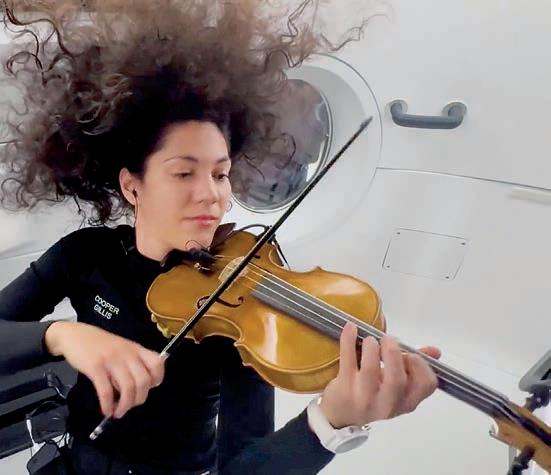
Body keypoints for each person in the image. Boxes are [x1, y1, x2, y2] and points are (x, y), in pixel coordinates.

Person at [0, 1, 441, 473]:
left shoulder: (238, 314)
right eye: (184, 173)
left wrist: (326, 425)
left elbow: (241, 464)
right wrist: (63, 335)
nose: (212, 195)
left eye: (220, 174)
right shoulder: (86, 255)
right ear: (132, 186)